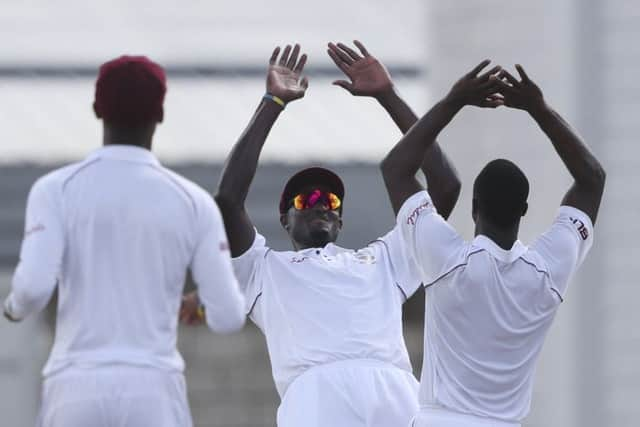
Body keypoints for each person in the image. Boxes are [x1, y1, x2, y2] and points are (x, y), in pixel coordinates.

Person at [180, 41, 461, 427]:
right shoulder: (263, 270)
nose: (321, 204)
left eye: (331, 200)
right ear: (284, 220)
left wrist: (388, 96)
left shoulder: (385, 259)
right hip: (314, 397)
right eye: (306, 198)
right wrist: (272, 103)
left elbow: (444, 188)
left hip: (394, 392)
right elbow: (228, 201)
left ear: (341, 222)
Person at [3, 55, 246, 427]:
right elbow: (228, 317)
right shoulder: (192, 201)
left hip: (74, 385)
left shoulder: (55, 190)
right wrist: (200, 307)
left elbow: (33, 289)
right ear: (160, 113)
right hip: (154, 388)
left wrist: (13, 309)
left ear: (97, 109)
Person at [380, 60, 606, 426]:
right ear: (525, 210)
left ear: (473, 209)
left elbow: (396, 169)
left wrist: (453, 101)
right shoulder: (546, 274)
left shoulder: (446, 260)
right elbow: (592, 180)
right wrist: (539, 109)